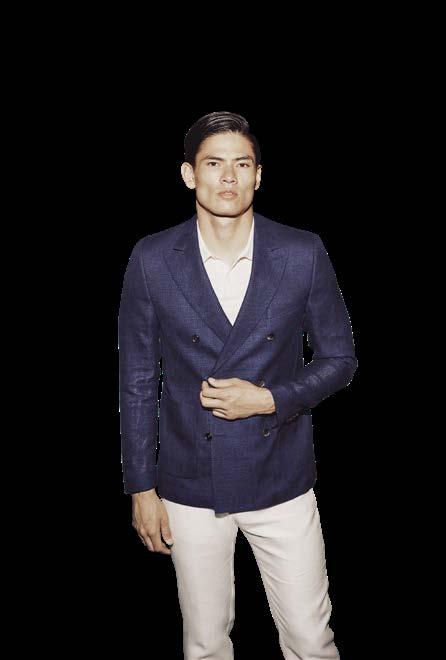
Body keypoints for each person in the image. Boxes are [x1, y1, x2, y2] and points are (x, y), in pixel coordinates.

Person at [118, 111, 357, 659]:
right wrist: (141, 487)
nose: (228, 177)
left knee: (310, 638)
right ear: (189, 174)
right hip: (189, 481)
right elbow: (136, 380)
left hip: (281, 476)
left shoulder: (301, 251)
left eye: (242, 164)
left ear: (258, 175)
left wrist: (271, 398)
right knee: (205, 643)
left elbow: (340, 358)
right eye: (213, 164)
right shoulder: (152, 258)